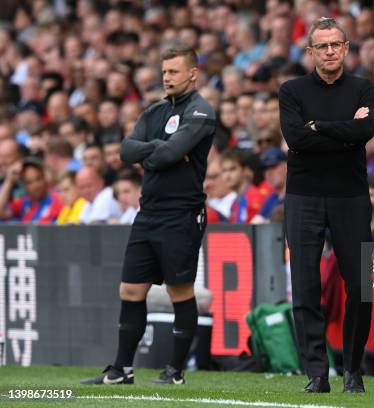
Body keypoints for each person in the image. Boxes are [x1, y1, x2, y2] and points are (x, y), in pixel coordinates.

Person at [82, 46, 215, 385]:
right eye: (164, 71)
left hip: (182, 213)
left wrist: (154, 150)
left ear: (192, 73)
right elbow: (128, 150)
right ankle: (120, 370)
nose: (167, 77)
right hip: (148, 212)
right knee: (130, 290)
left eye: (173, 71)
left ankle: (174, 372)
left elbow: (171, 152)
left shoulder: (201, 111)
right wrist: (159, 149)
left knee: (179, 291)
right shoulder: (154, 111)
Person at [279, 17, 374, 393]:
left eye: (337, 44)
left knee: (360, 285)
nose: (331, 51)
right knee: (305, 285)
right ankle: (317, 373)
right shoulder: (292, 90)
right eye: (323, 46)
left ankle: (352, 369)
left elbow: (365, 132)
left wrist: (318, 126)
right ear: (311, 52)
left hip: (350, 196)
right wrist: (342, 130)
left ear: (347, 48)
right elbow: (296, 139)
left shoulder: (363, 88)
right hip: (303, 195)